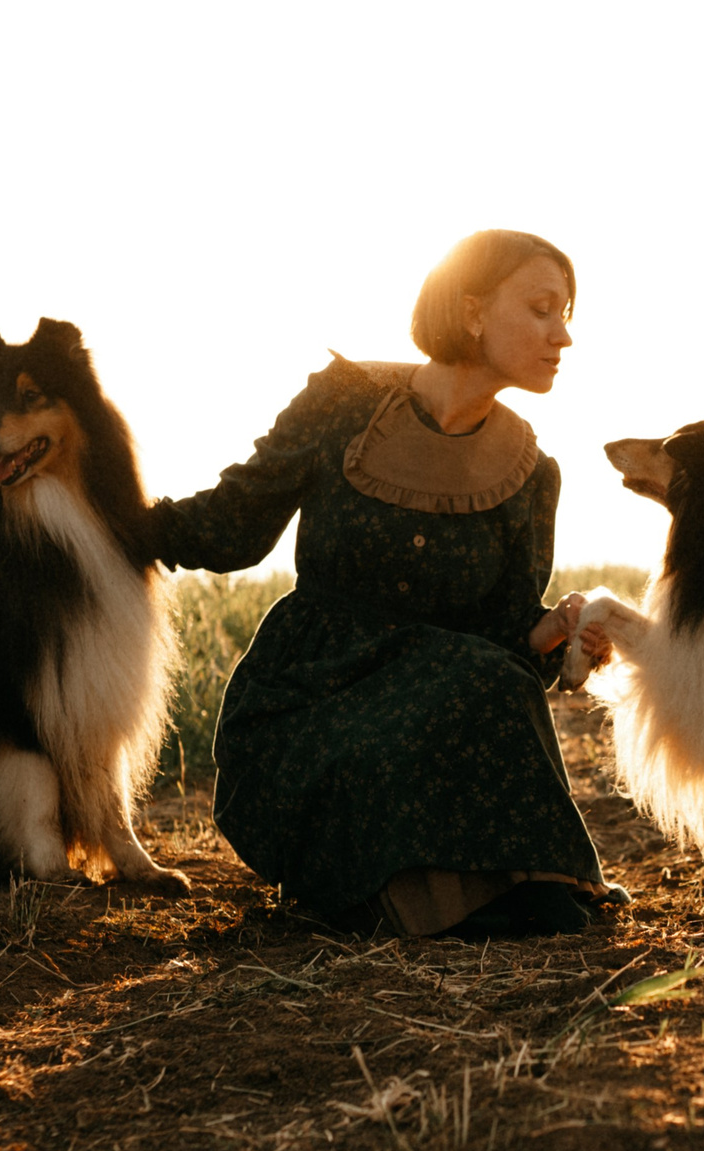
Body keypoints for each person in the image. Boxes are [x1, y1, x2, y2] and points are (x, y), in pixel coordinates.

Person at [150, 230, 615, 936]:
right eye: (543, 309)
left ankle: (496, 891)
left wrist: (547, 633)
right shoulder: (344, 403)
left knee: (492, 682)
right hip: (311, 697)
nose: (564, 336)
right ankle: (425, 897)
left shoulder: (531, 473)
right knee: (442, 703)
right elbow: (231, 526)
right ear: (472, 312)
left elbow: (498, 643)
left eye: (567, 314)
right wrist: (114, 518)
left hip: (430, 712)